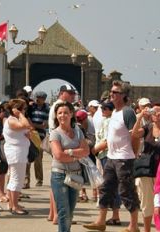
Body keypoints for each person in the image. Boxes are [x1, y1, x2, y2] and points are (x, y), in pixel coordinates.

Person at [83, 80, 140, 232]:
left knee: (126, 191)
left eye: (115, 92)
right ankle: (101, 221)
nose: (111, 94)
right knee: (106, 188)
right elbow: (111, 137)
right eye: (111, 91)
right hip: (112, 157)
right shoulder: (114, 112)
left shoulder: (128, 112)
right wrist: (98, 148)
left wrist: (132, 156)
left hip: (124, 158)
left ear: (124, 96)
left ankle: (134, 225)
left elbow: (134, 136)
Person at [50, 101, 90, 232]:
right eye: (60, 113)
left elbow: (86, 151)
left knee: (70, 212)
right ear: (56, 116)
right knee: (63, 212)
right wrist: (77, 154)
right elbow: (58, 155)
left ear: (71, 114)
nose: (63, 115)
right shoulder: (55, 133)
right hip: (59, 175)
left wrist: (70, 152)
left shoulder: (78, 132)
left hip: (75, 175)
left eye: (66, 113)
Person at [131, 102, 160, 232]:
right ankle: (147, 230)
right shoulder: (147, 128)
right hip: (147, 171)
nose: (156, 114)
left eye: (159, 112)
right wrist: (140, 116)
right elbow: (135, 134)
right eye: (154, 111)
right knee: (147, 203)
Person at [47, 84, 77, 224]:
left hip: (58, 143)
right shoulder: (61, 106)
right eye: (70, 93)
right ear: (62, 93)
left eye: (73, 93)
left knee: (56, 183)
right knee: (59, 183)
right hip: (60, 143)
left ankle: (53, 214)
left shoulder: (56, 105)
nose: (73, 95)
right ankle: (58, 215)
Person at [91, 101, 122, 225]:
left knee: (110, 186)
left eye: (105, 108)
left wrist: (95, 150)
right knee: (110, 186)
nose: (102, 110)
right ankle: (114, 215)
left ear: (111, 110)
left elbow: (107, 140)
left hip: (107, 155)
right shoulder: (107, 120)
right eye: (102, 108)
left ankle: (113, 215)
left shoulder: (111, 122)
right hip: (104, 155)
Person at [3, 98, 31, 215]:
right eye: (23, 109)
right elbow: (26, 124)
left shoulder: (14, 120)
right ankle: (14, 206)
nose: (25, 111)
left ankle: (12, 203)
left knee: (15, 178)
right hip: (16, 153)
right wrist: (20, 114)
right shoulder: (12, 120)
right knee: (16, 179)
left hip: (18, 152)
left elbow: (25, 128)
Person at [28, 91, 50, 187]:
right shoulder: (31, 108)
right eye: (36, 97)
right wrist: (36, 126)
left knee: (38, 159)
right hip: (30, 135)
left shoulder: (47, 109)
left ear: (44, 99)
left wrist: (33, 125)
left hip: (40, 137)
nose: (37, 99)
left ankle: (39, 179)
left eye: (39, 97)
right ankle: (26, 180)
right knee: (27, 158)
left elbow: (45, 125)